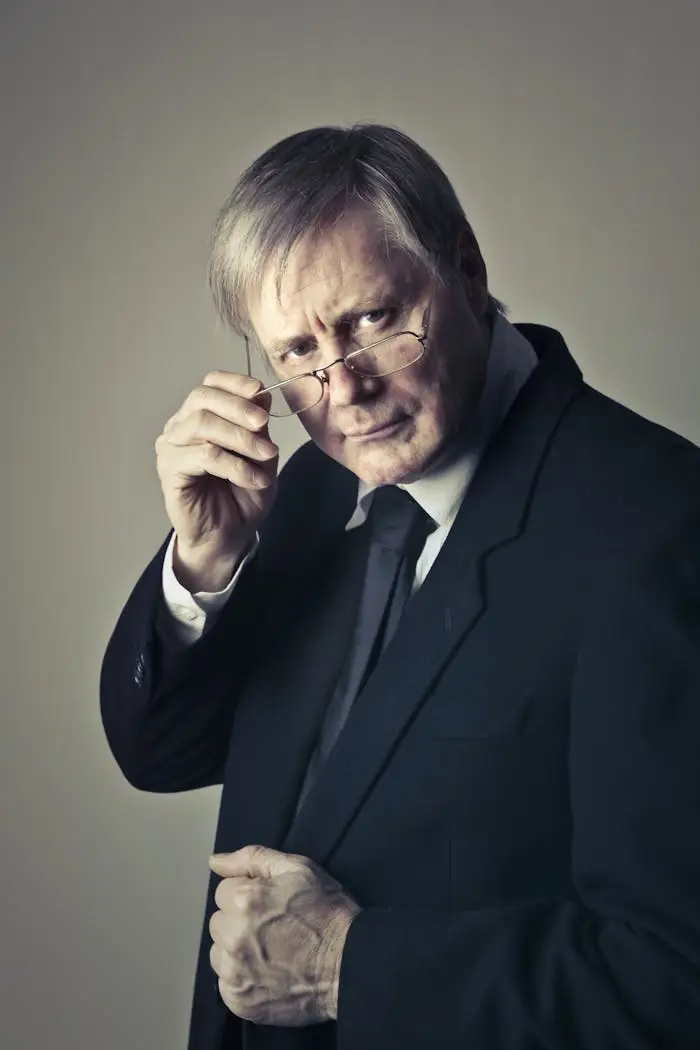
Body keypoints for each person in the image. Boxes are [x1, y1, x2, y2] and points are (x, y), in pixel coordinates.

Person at [99, 124, 700, 1050]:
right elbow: (161, 755)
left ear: (468, 268)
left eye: (373, 321)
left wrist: (348, 967)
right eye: (297, 352)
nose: (345, 393)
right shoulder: (307, 491)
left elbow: (675, 980)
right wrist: (203, 564)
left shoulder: (660, 524)